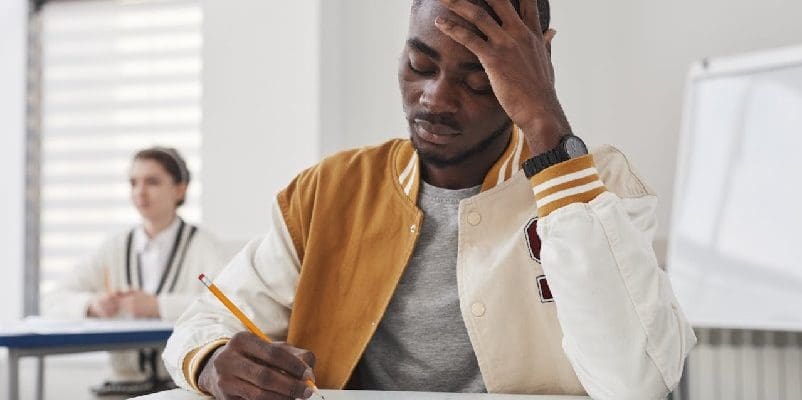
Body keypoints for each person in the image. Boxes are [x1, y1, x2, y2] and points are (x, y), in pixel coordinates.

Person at [163, 0, 696, 399]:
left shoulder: (591, 180)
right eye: (420, 65)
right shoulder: (332, 188)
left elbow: (637, 381)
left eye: (480, 78)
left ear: (536, 65)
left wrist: (543, 120)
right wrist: (211, 362)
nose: (436, 98)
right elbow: (204, 322)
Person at [42, 146, 228, 395]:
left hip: (181, 387)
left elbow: (226, 306)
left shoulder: (206, 246)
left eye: (152, 182)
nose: (140, 192)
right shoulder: (114, 247)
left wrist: (158, 306)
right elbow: (52, 300)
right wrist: (92, 305)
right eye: (133, 183)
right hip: (120, 387)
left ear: (180, 189)